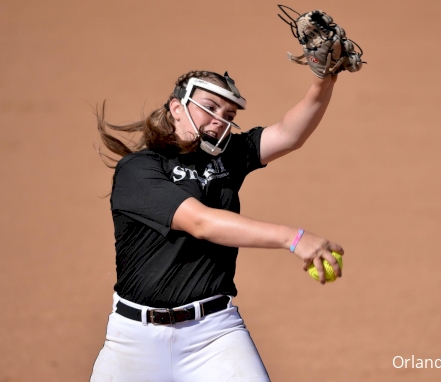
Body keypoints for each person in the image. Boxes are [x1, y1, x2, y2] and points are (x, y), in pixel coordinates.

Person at [90, 70, 344, 381]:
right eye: (209, 108)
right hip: (133, 343)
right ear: (176, 108)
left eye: (228, 114)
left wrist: (324, 81)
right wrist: (293, 237)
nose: (219, 120)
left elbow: (290, 134)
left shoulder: (227, 158)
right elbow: (199, 222)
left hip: (214, 336)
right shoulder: (139, 170)